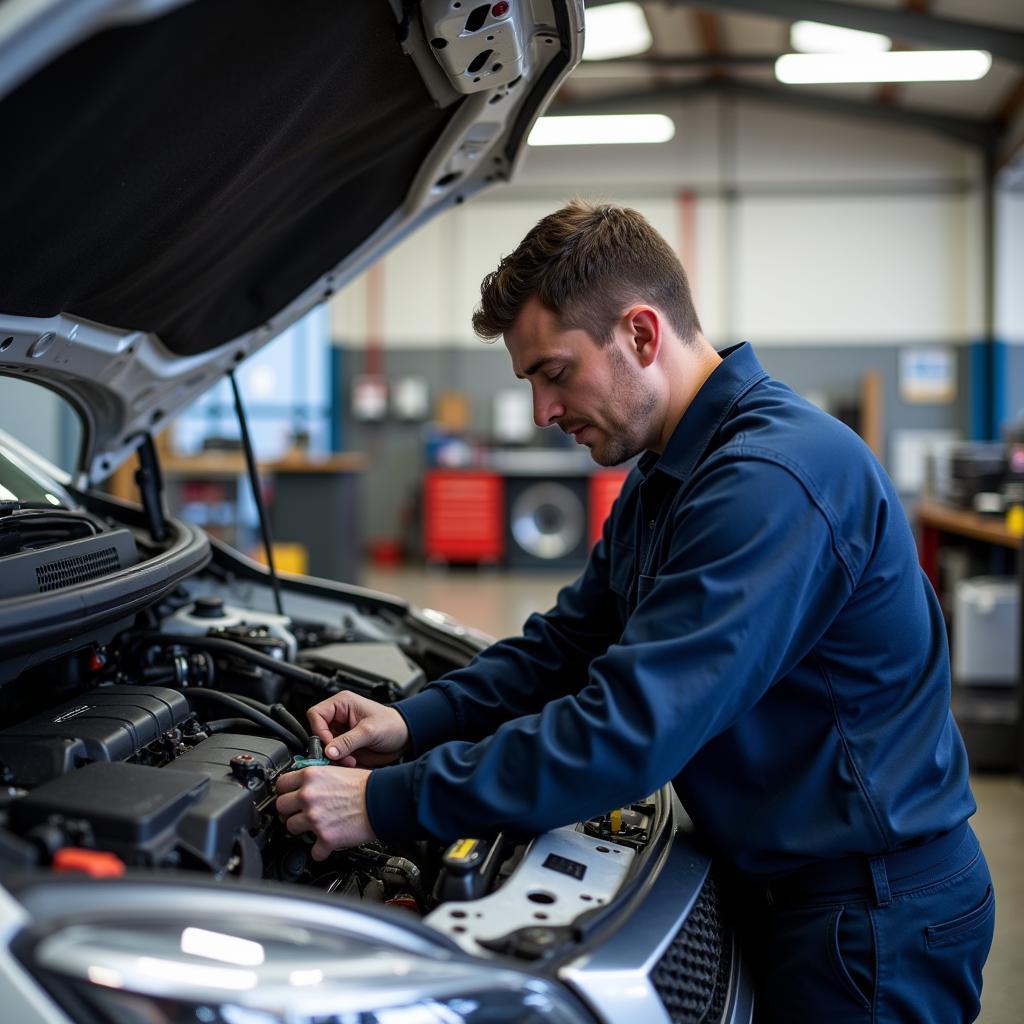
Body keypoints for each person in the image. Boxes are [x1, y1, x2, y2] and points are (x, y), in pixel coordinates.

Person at [276, 200, 994, 1022]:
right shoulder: (668, 474)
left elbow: (625, 734)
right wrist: (411, 723)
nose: (544, 411)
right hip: (790, 886)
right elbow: (565, 648)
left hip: (872, 919)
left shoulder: (771, 480)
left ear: (642, 336)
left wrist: (384, 802)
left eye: (554, 372)